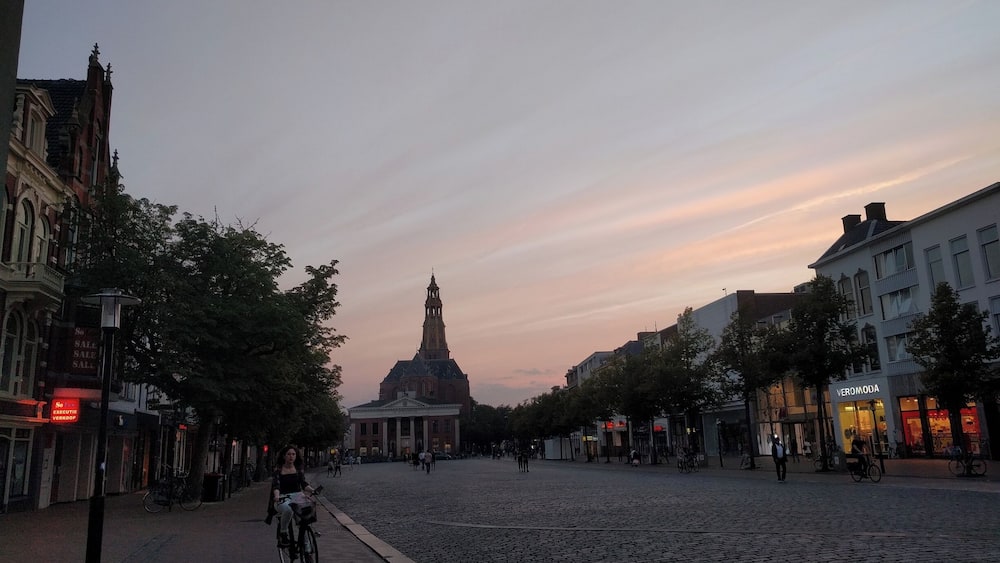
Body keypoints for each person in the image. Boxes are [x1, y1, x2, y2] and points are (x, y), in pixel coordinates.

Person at [271, 445, 318, 548]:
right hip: (283, 497)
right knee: (288, 509)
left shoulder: (298, 469)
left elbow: (303, 483)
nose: (291, 456)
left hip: (297, 496)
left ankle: (307, 549)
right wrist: (277, 496)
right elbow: (276, 485)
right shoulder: (278, 470)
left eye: (293, 454)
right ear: (284, 456)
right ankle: (283, 533)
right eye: (288, 454)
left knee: (303, 522)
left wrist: (313, 490)